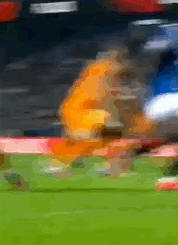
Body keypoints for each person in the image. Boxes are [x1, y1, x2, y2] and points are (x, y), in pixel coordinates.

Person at [106, 19, 178, 191]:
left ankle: (131, 155)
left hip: (162, 99)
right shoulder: (174, 32)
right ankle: (168, 178)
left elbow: (152, 51)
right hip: (172, 97)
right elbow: (157, 47)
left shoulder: (172, 38)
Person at [43, 44, 137, 178]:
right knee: (103, 132)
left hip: (76, 109)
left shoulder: (98, 68)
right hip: (81, 111)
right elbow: (105, 95)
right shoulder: (110, 70)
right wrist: (114, 114)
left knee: (109, 135)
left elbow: (103, 93)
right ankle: (61, 163)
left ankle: (64, 163)